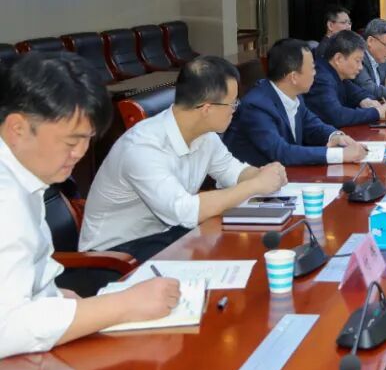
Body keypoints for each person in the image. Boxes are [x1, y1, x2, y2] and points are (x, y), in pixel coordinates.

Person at [0, 53, 181, 359]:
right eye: (72, 142)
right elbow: (6, 327)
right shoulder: (5, 197)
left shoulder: (25, 175)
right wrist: (123, 305)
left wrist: (62, 301)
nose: (80, 153)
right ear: (17, 128)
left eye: (87, 140)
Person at [79, 56, 288, 260]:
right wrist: (255, 185)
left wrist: (264, 174)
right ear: (207, 108)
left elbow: (231, 171)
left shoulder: (205, 135)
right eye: (232, 103)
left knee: (239, 245)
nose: (235, 110)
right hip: (115, 254)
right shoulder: (143, 147)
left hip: (165, 234)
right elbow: (186, 211)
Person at [224, 39, 366, 166]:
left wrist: (336, 137)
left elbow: (313, 126)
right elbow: (281, 152)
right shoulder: (256, 106)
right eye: (312, 68)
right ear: (293, 77)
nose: (315, 73)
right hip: (252, 182)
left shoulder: (295, 96)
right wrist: (339, 155)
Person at [307, 30, 386, 126]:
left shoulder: (338, 75)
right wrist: (377, 113)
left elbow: (359, 93)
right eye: (357, 61)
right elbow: (337, 116)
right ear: (338, 59)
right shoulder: (321, 78)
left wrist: (366, 100)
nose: (360, 67)